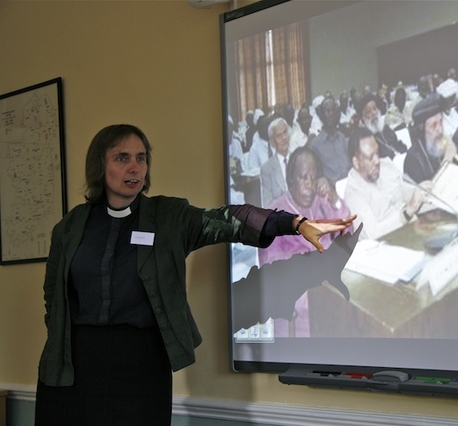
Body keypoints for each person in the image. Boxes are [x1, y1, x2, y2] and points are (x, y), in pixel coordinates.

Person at [34, 124, 356, 426]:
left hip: (141, 365)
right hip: (73, 366)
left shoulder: (168, 217)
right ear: (99, 166)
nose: (135, 167)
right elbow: (54, 295)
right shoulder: (70, 227)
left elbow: (230, 220)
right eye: (122, 158)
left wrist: (294, 223)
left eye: (141, 158)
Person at [259, 147, 353, 336]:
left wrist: (334, 199)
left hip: (331, 301)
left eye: (314, 177)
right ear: (290, 180)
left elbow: (347, 234)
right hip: (301, 319)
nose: (310, 185)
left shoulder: (321, 203)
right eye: (303, 177)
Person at [344, 127, 429, 241]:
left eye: (377, 154)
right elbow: (373, 233)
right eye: (370, 157)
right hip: (387, 246)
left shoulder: (386, 166)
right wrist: (406, 213)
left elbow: (406, 192)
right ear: (356, 162)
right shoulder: (353, 194)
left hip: (413, 228)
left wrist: (423, 192)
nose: (377, 161)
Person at [404, 93, 458, 185]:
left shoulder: (444, 143)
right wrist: (447, 161)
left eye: (441, 122)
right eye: (433, 125)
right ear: (422, 130)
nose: (439, 129)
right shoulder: (413, 160)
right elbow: (429, 195)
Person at [307, 96, 351, 185]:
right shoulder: (315, 145)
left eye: (332, 110)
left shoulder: (342, 138)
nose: (330, 114)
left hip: (350, 185)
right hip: (331, 191)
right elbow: (317, 176)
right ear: (322, 116)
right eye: (327, 111)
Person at [356, 92, 408, 159]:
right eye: (368, 111)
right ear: (363, 118)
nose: (373, 113)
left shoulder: (385, 128)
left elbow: (398, 144)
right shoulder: (365, 139)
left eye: (375, 109)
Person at [260, 117, 291, 207]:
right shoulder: (267, 168)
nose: (284, 138)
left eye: (285, 133)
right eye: (279, 136)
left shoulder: (298, 160)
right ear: (272, 142)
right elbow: (268, 204)